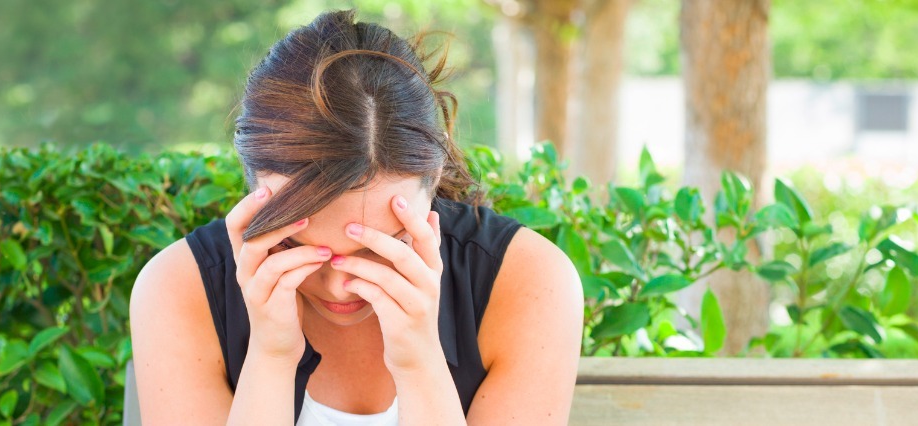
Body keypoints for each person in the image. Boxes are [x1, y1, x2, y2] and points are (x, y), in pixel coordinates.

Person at [128, 9, 583, 425]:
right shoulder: (179, 289)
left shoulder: (527, 282)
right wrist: (270, 355)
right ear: (252, 188)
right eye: (298, 248)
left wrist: (420, 361)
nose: (340, 286)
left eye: (381, 247)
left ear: (434, 177)